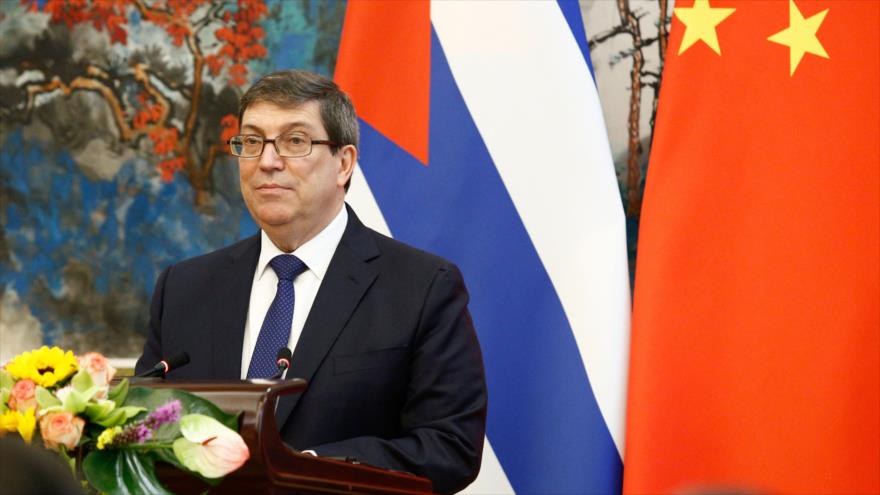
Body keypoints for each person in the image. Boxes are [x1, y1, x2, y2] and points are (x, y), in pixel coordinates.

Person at [135, 69, 487, 493]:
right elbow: (143, 429)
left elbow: (449, 446)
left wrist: (311, 470)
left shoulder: (422, 287)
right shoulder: (184, 288)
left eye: (295, 141)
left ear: (344, 163)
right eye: (251, 142)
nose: (267, 161)